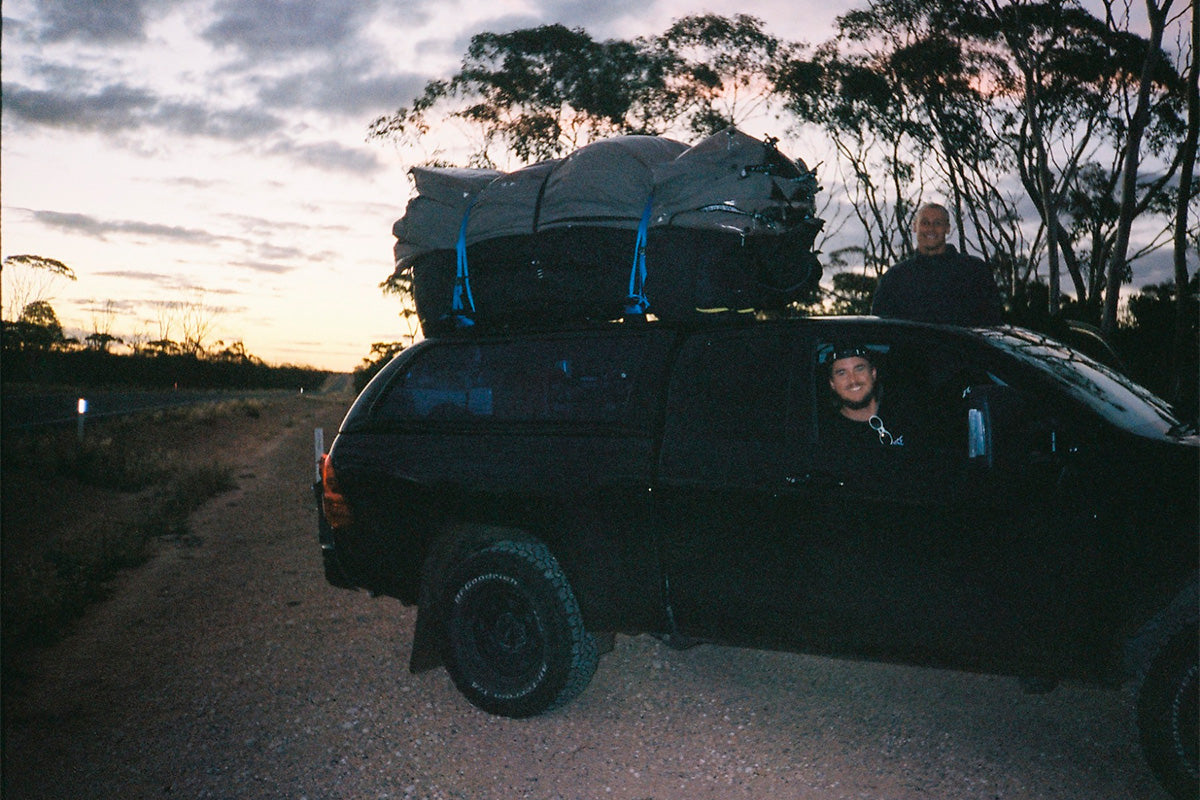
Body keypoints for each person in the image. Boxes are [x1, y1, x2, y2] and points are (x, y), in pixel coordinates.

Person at [871, 203, 1003, 326]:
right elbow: (880, 329)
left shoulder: (974, 271)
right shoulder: (895, 277)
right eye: (925, 223)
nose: (931, 229)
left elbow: (994, 321)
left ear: (948, 228)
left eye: (937, 223)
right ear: (914, 227)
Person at [823, 345, 906, 447]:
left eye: (859, 369)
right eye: (842, 373)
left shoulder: (903, 411)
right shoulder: (830, 437)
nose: (853, 380)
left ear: (873, 373)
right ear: (832, 383)